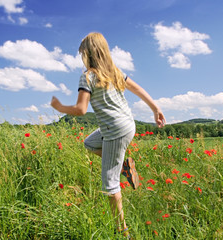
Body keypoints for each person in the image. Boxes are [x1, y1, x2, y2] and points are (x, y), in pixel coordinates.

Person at [51, 32, 165, 238]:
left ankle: (123, 232)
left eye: (82, 53)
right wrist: (155, 108)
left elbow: (81, 109)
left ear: (88, 53)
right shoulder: (114, 72)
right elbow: (137, 88)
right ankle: (123, 165)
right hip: (127, 125)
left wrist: (59, 107)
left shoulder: (88, 76)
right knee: (89, 143)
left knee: (110, 185)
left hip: (115, 131)